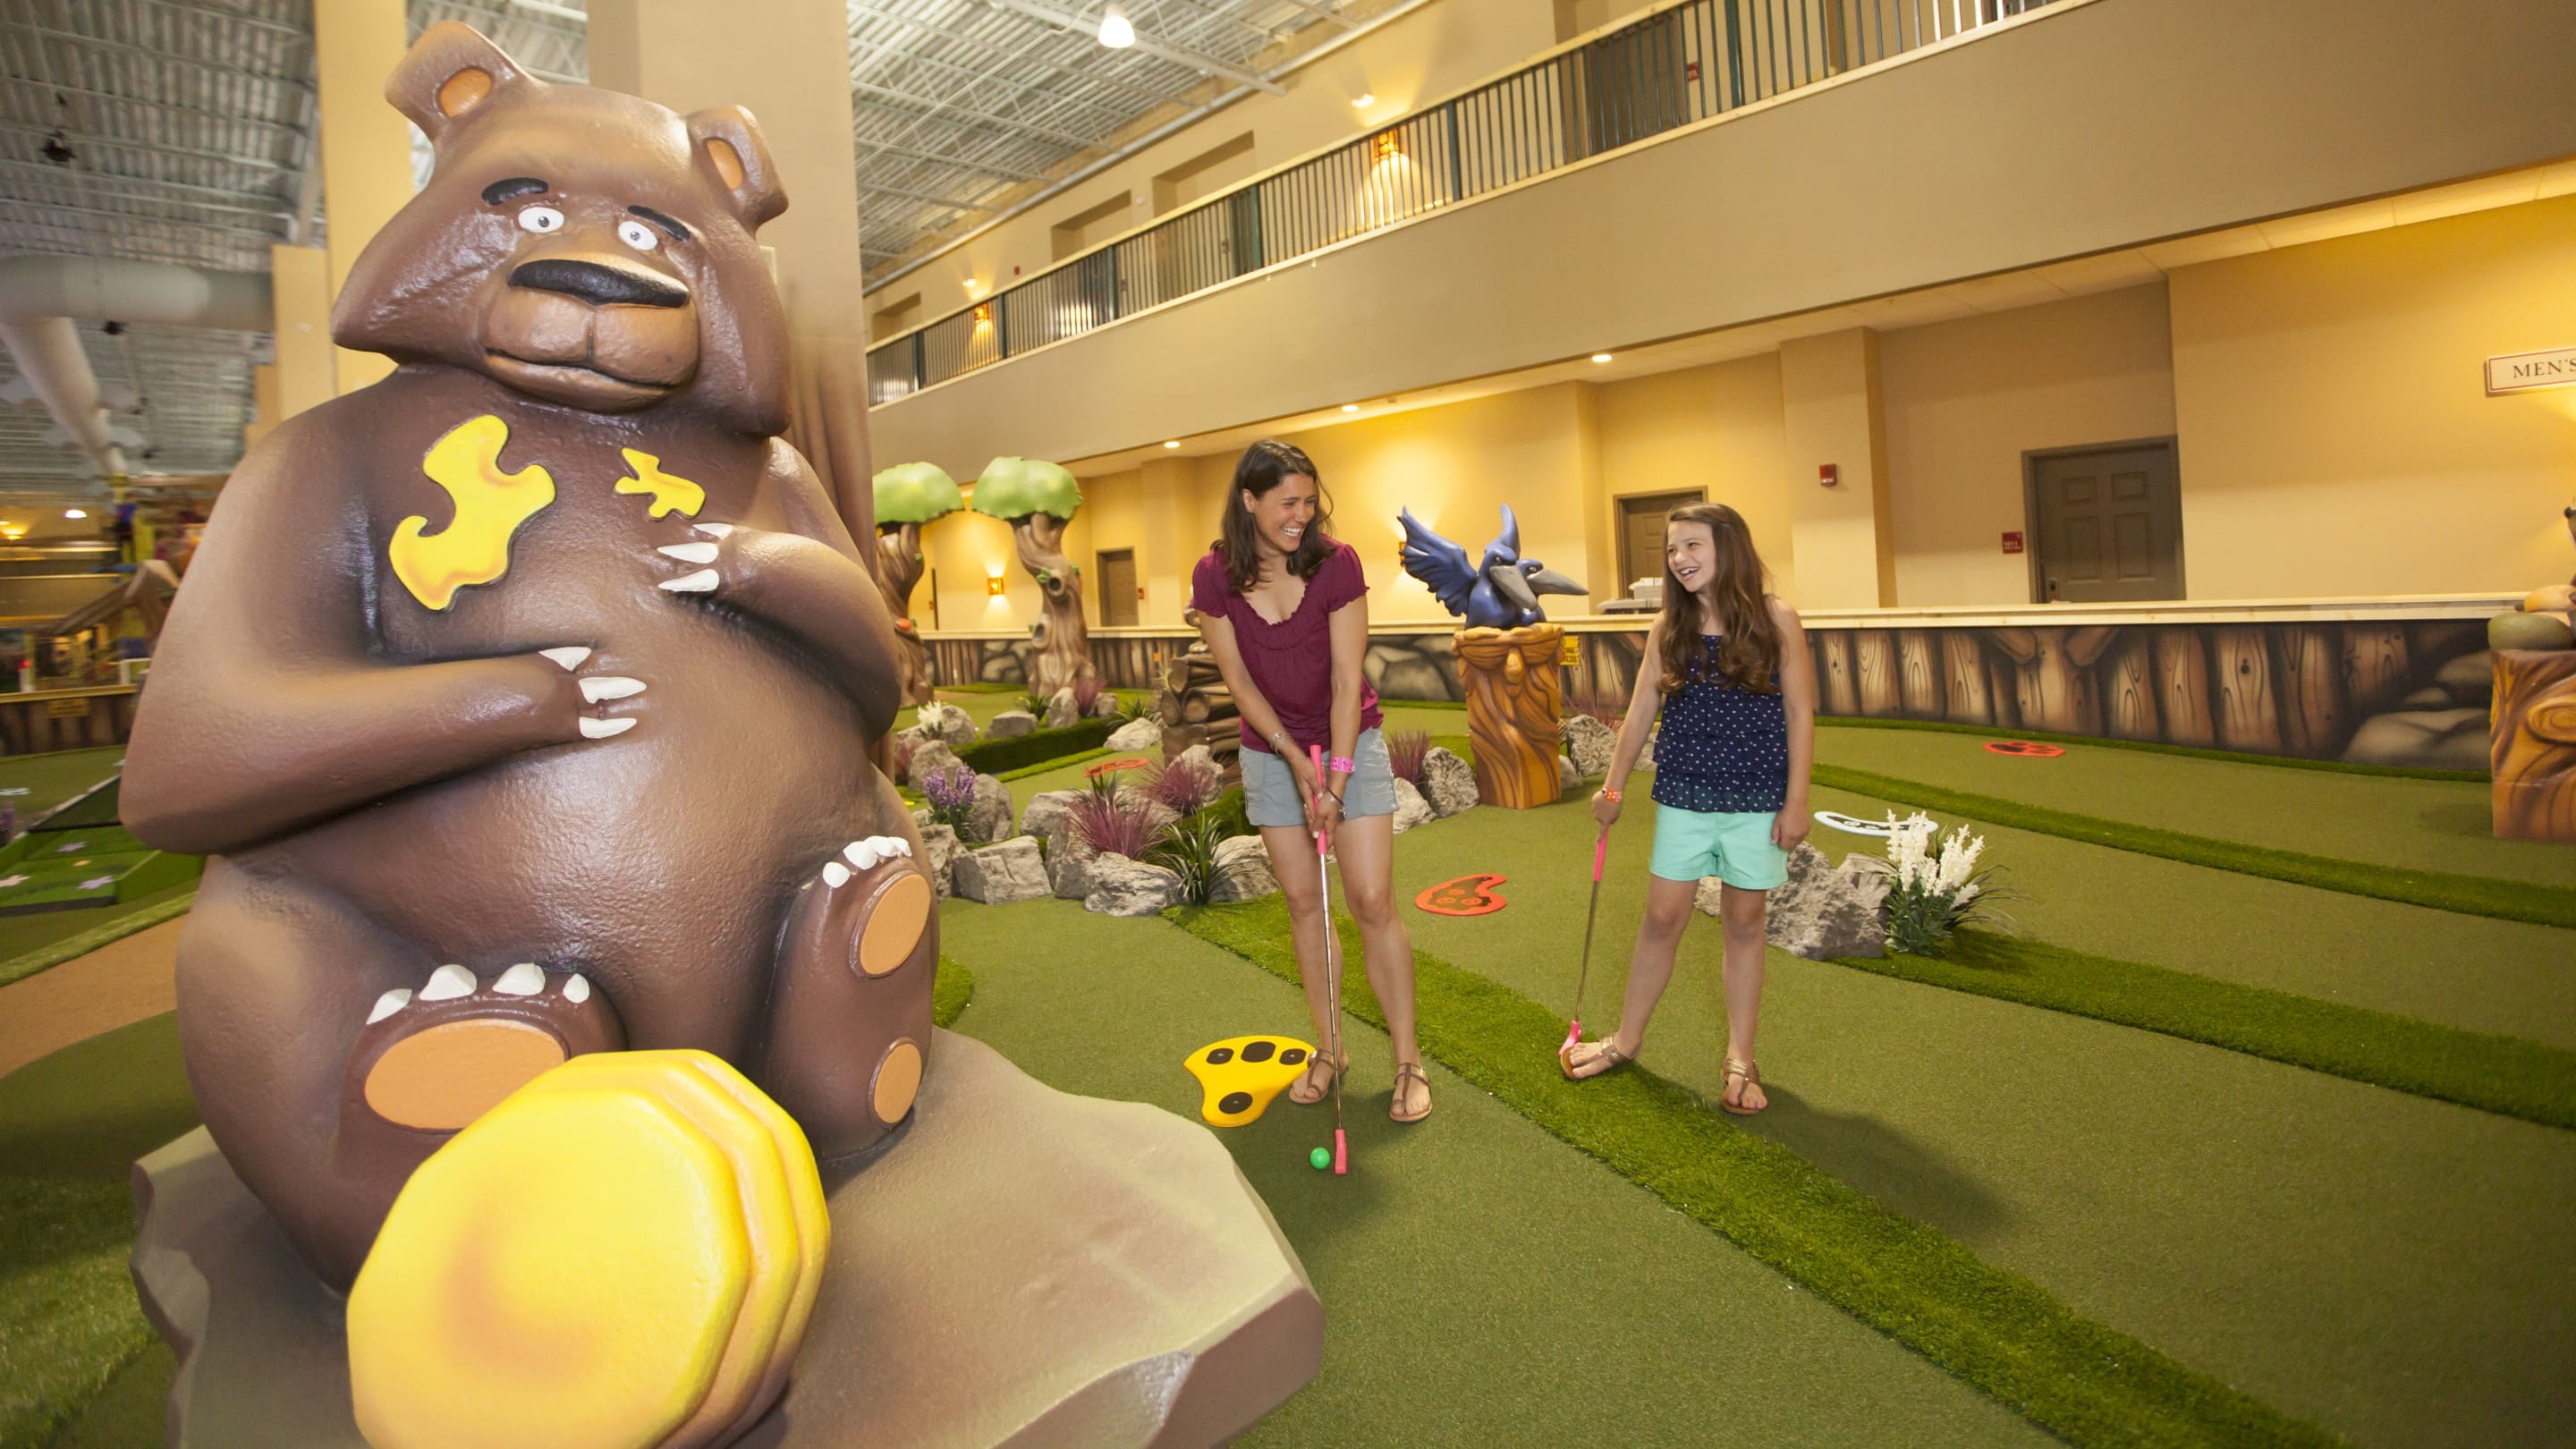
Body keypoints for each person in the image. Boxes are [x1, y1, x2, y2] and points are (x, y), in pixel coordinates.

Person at [1191, 439, 1429, 1123]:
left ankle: (1409, 1060)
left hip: (1352, 738)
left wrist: (1334, 778)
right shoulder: (1214, 577)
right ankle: (1330, 1049)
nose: (1302, 515)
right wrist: (1296, 762)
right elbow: (1237, 682)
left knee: (1372, 899)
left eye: (1308, 501)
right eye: (1287, 503)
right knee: (1303, 902)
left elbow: (1349, 682)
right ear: (1249, 501)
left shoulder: (1337, 564)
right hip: (1270, 752)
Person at [1560, 502, 1814, 1114]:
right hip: (1686, 793)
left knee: (1745, 922)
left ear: (1729, 549)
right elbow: (1641, 712)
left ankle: (1739, 1058)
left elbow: (1801, 712)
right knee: (1662, 916)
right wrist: (1614, 787)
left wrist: (1797, 801)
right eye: (1673, 549)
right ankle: (1625, 1040)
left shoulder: (1777, 619)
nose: (1680, 559)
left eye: (1693, 546)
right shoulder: (1668, 629)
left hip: (1757, 796)